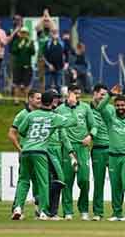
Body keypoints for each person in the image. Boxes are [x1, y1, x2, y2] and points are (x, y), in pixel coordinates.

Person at [11, 91, 77, 220]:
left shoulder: (31, 115)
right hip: (41, 152)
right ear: (52, 102)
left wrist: (32, 138)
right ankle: (43, 211)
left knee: (23, 180)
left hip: (25, 151)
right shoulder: (54, 117)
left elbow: (21, 130)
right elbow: (73, 121)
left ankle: (18, 207)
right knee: (43, 183)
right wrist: (72, 106)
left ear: (42, 101)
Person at [96, 85, 125, 221]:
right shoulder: (110, 118)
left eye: (122, 105)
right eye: (117, 105)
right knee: (115, 186)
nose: (120, 107)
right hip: (112, 157)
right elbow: (99, 108)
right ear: (114, 106)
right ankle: (117, 213)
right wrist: (110, 94)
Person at [56, 85, 97, 221]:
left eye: (79, 93)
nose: (78, 96)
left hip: (82, 147)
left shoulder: (85, 108)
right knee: (67, 180)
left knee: (84, 180)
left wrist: (90, 136)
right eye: (75, 93)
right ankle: (68, 211)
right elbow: (58, 129)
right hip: (67, 149)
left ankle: (84, 210)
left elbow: (94, 125)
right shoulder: (59, 109)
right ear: (68, 93)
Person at [8, 89, 42, 218]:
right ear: (30, 99)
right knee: (26, 180)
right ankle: (18, 208)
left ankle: (35, 208)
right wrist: (19, 148)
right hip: (28, 152)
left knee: (36, 181)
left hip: (39, 152)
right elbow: (11, 133)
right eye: (37, 98)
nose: (40, 101)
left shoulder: (42, 113)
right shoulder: (23, 114)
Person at [47, 90, 78, 220]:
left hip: (57, 150)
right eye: (54, 98)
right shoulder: (41, 114)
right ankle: (45, 209)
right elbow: (74, 121)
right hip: (44, 149)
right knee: (50, 180)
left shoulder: (56, 115)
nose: (56, 100)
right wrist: (72, 107)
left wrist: (71, 153)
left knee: (56, 181)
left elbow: (64, 136)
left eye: (57, 98)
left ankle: (49, 211)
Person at [90, 84, 115, 221]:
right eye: (102, 94)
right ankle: (98, 213)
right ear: (95, 94)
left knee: (116, 183)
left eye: (106, 95)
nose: (103, 97)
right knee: (98, 183)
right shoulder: (87, 109)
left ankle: (117, 212)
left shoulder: (110, 108)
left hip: (112, 150)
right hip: (98, 150)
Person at [11, 27, 35, 104]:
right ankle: (16, 100)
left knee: (26, 84)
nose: (24, 34)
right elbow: (13, 51)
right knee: (16, 83)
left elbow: (33, 52)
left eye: (25, 33)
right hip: (18, 66)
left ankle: (26, 100)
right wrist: (20, 46)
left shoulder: (30, 42)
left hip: (27, 66)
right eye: (22, 33)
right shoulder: (16, 42)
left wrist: (30, 46)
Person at [36, 8, 57, 92]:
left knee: (51, 76)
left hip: (50, 58)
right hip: (41, 57)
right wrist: (43, 17)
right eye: (45, 22)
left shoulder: (51, 34)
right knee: (41, 77)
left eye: (47, 22)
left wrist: (48, 16)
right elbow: (37, 27)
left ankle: (50, 93)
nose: (46, 23)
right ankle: (42, 93)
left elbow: (54, 27)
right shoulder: (40, 34)